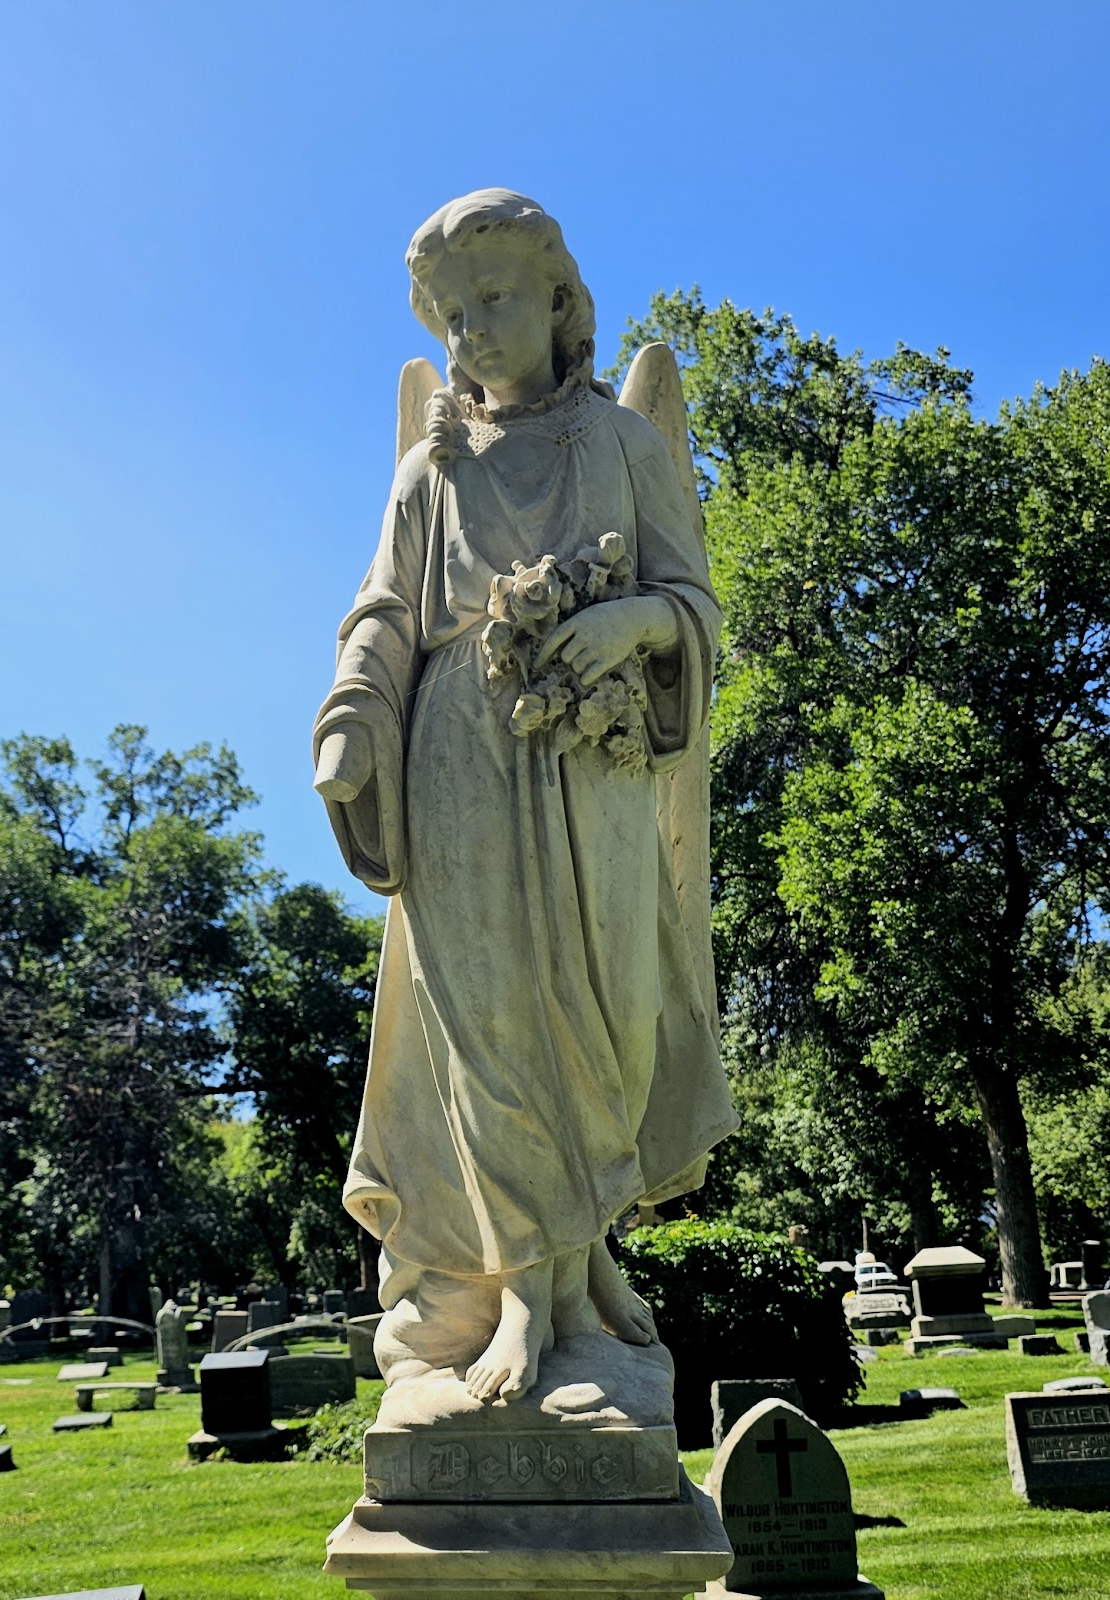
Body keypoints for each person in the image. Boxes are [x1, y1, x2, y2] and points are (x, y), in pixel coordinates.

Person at [314, 189, 737, 1405]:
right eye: (451, 314)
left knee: (601, 1019)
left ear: (559, 299)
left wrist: (629, 623)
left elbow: (693, 604)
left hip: (592, 766)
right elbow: (385, 612)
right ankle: (521, 1303)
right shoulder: (427, 472)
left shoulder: (623, 445)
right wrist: (350, 721)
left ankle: (581, 1278)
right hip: (457, 768)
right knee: (488, 1034)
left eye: (492, 299)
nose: (471, 333)